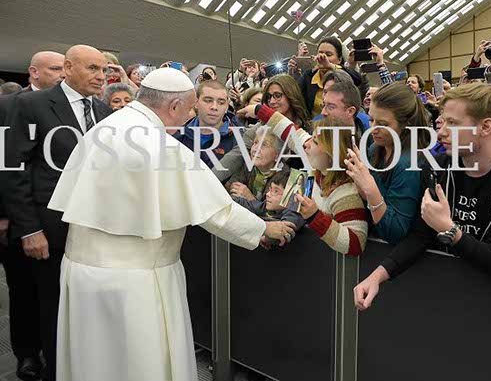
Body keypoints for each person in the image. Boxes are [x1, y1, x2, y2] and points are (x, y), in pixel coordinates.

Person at [46, 68, 293, 381]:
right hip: (137, 281)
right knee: (139, 363)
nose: (189, 116)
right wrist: (263, 229)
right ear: (174, 105)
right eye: (189, 109)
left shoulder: (101, 129)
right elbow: (216, 211)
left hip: (82, 273)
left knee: (93, 359)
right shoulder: (162, 146)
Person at [353, 83, 491, 311]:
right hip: (445, 296)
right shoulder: (437, 168)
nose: (441, 132)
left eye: (452, 123)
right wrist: (377, 276)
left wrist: (449, 230)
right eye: (442, 121)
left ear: (486, 127)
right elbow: (420, 235)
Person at [4, 45, 114, 381]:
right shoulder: (30, 104)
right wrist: (29, 229)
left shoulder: (103, 110)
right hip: (48, 230)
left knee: (82, 309)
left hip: (92, 229)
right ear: (68, 67)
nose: (101, 76)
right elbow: (12, 168)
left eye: (104, 70)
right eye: (93, 68)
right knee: (51, 308)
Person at [237, 103, 369, 256]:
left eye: (315, 142)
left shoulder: (346, 192)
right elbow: (290, 131)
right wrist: (259, 110)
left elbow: (356, 244)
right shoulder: (315, 167)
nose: (307, 145)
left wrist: (315, 216)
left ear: (331, 153)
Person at [344, 82, 431, 244]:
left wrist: (369, 188)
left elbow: (395, 231)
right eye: (371, 120)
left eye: (383, 124)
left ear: (406, 124)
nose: (373, 128)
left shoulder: (409, 162)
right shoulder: (375, 148)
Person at [215, 74, 310, 183]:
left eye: (277, 95)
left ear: (291, 95)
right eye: (269, 97)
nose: (272, 101)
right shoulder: (259, 128)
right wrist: (208, 180)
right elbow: (235, 156)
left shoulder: (307, 130)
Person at [232, 169, 305, 250]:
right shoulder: (267, 205)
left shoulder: (295, 215)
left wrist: (265, 237)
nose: (268, 194)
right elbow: (248, 204)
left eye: (276, 191)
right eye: (270, 189)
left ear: (291, 196)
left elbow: (281, 233)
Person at [297, 37, 369, 118]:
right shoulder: (309, 75)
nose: (323, 57)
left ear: (339, 59)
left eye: (328, 55)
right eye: (320, 53)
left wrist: (330, 66)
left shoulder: (343, 73)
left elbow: (357, 79)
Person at [174, 80, 236, 169]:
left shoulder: (238, 140)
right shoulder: (177, 135)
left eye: (221, 103)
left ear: (227, 106)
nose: (214, 107)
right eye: (208, 101)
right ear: (196, 103)